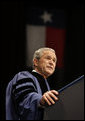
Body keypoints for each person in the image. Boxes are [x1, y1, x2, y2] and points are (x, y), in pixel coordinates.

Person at [6, 47, 59, 120]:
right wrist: (40, 100)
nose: (51, 62)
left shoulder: (47, 86)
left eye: (54, 60)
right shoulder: (23, 76)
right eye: (48, 58)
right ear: (36, 62)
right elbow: (26, 98)